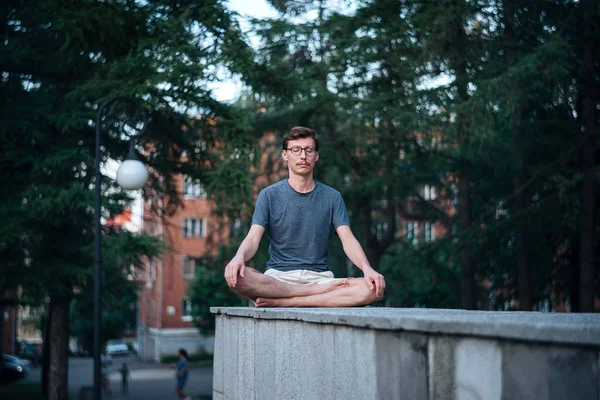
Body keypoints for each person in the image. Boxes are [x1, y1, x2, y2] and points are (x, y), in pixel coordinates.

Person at [225, 126, 386, 307]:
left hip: (320, 279)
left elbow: (348, 239)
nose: (303, 156)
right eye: (296, 150)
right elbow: (253, 238)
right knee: (238, 277)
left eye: (309, 150)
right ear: (285, 155)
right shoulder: (269, 195)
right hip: (278, 279)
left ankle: (287, 302)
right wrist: (238, 258)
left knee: (373, 288)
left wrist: (367, 269)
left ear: (316, 156)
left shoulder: (332, 197)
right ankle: (309, 294)